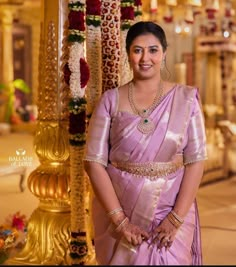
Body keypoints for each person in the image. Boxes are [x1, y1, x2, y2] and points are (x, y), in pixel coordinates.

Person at [84, 21, 208, 265]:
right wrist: (120, 221)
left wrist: (175, 218)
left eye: (153, 50)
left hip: (172, 211)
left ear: (163, 54)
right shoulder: (110, 100)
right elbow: (93, 162)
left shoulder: (186, 99)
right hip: (119, 209)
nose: (145, 58)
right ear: (128, 54)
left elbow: (196, 160)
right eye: (137, 50)